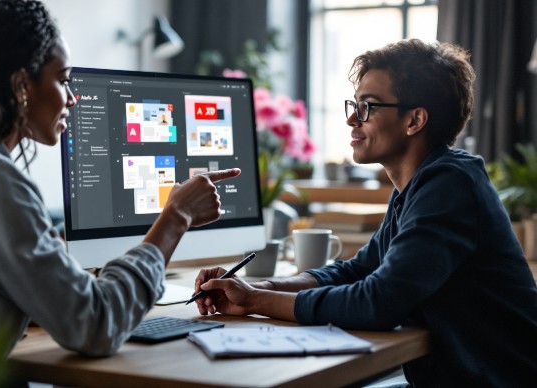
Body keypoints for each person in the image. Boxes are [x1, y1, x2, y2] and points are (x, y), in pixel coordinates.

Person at [0, 0, 240, 359]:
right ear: (20, 85)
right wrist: (176, 216)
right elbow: (95, 325)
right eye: (63, 80)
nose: (72, 97)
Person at [194, 39, 537, 386]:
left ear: (415, 120)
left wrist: (257, 300)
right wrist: (261, 285)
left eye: (368, 107)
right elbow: (359, 269)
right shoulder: (418, 185)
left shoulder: (449, 185)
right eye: (354, 105)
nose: (351, 119)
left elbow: (378, 301)